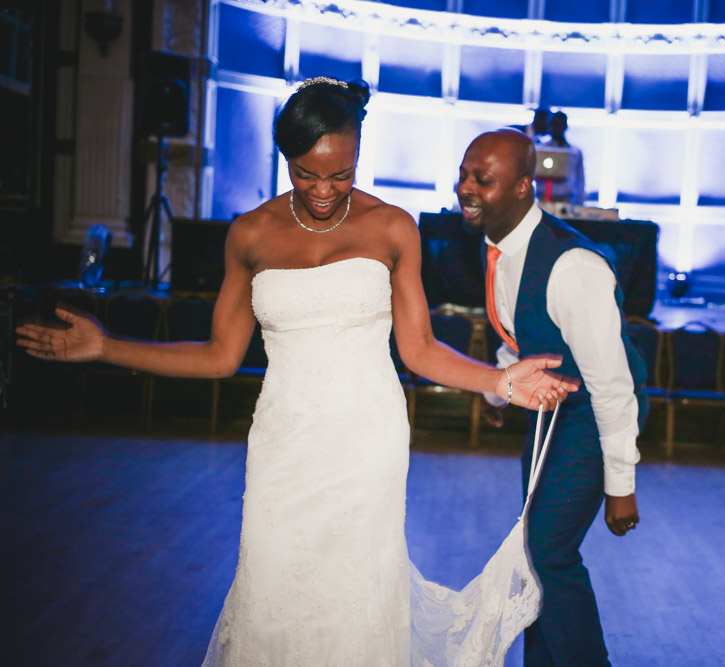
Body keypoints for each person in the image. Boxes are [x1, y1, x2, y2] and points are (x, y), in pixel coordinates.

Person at [16, 78, 579, 666]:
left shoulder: (393, 228)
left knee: (355, 596)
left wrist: (501, 382)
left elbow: (418, 351)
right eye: (307, 173)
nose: (324, 190)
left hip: (367, 439)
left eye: (341, 174)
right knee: (274, 584)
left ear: (359, 153)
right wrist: (107, 347)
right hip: (284, 441)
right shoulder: (250, 234)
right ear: (285, 157)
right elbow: (218, 356)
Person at [456, 128, 648, 666]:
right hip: (548, 411)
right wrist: (500, 396)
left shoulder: (574, 267)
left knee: (547, 552)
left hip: (592, 415)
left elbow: (614, 386)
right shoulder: (498, 248)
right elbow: (518, 341)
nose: (466, 188)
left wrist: (621, 486)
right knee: (534, 555)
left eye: (483, 180)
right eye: (465, 175)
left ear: (523, 188)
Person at [540, 110, 586, 206]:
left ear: (564, 126)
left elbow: (580, 179)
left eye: (557, 124)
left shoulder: (575, 152)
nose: (553, 128)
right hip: (543, 200)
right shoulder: (540, 150)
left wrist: (580, 202)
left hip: (567, 200)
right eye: (551, 125)